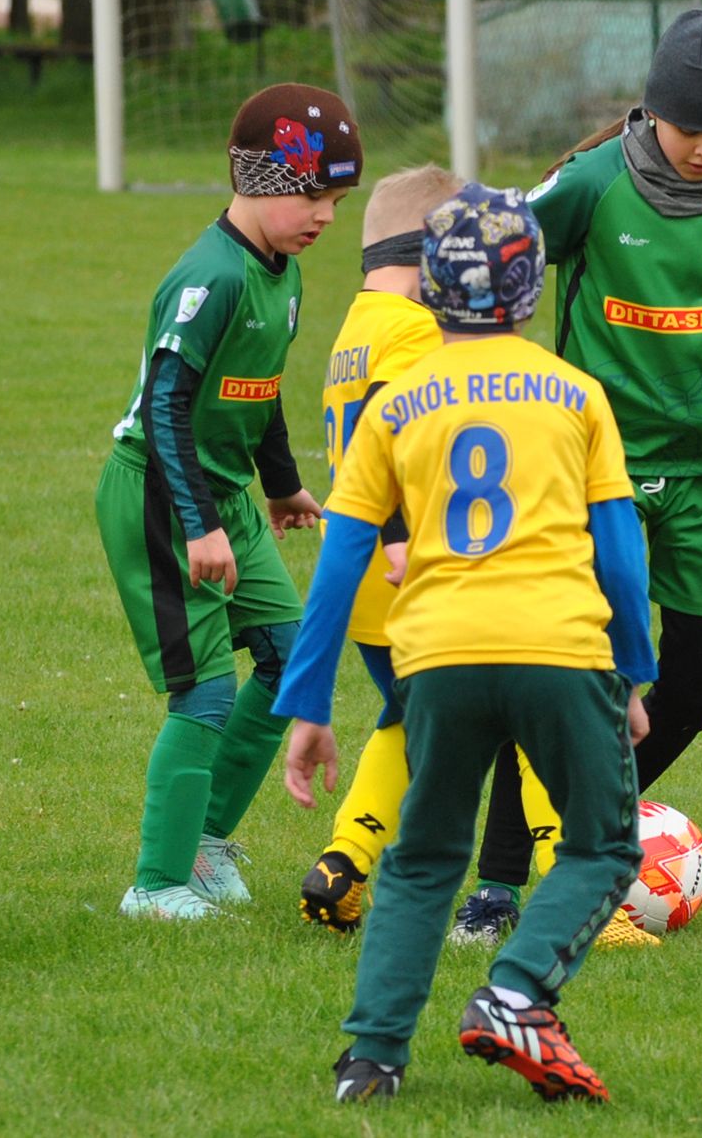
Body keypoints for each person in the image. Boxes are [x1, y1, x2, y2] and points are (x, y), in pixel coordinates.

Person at [276, 183, 657, 1104]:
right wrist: (634, 672)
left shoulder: (398, 405)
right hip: (560, 650)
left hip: (438, 655)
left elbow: (340, 563)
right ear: (529, 294)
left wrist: (308, 704)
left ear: (426, 290)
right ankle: (517, 990)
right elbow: (619, 552)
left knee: (421, 858)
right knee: (603, 847)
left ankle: (371, 1058)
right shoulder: (576, 395)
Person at [455, 6, 702, 941]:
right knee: (554, 674)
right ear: (652, 110)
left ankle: (578, 830)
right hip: (589, 472)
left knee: (698, 685)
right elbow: (493, 260)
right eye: (689, 127)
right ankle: (497, 884)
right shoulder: (593, 182)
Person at [99, 83, 361, 921]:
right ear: (257, 179)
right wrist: (200, 524)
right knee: (206, 691)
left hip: (226, 495)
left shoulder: (278, 274)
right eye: (312, 195)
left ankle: (206, 837)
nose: (325, 215)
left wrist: (280, 485)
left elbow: (260, 391)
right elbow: (167, 405)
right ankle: (156, 883)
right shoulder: (207, 277)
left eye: (337, 200)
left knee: (290, 654)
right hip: (161, 494)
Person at [296, 163, 458, 932]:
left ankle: (343, 862)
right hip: (413, 569)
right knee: (528, 721)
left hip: (360, 587)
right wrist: (401, 535)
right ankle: (589, 891)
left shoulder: (356, 325)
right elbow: (394, 434)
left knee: (404, 719)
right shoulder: (419, 330)